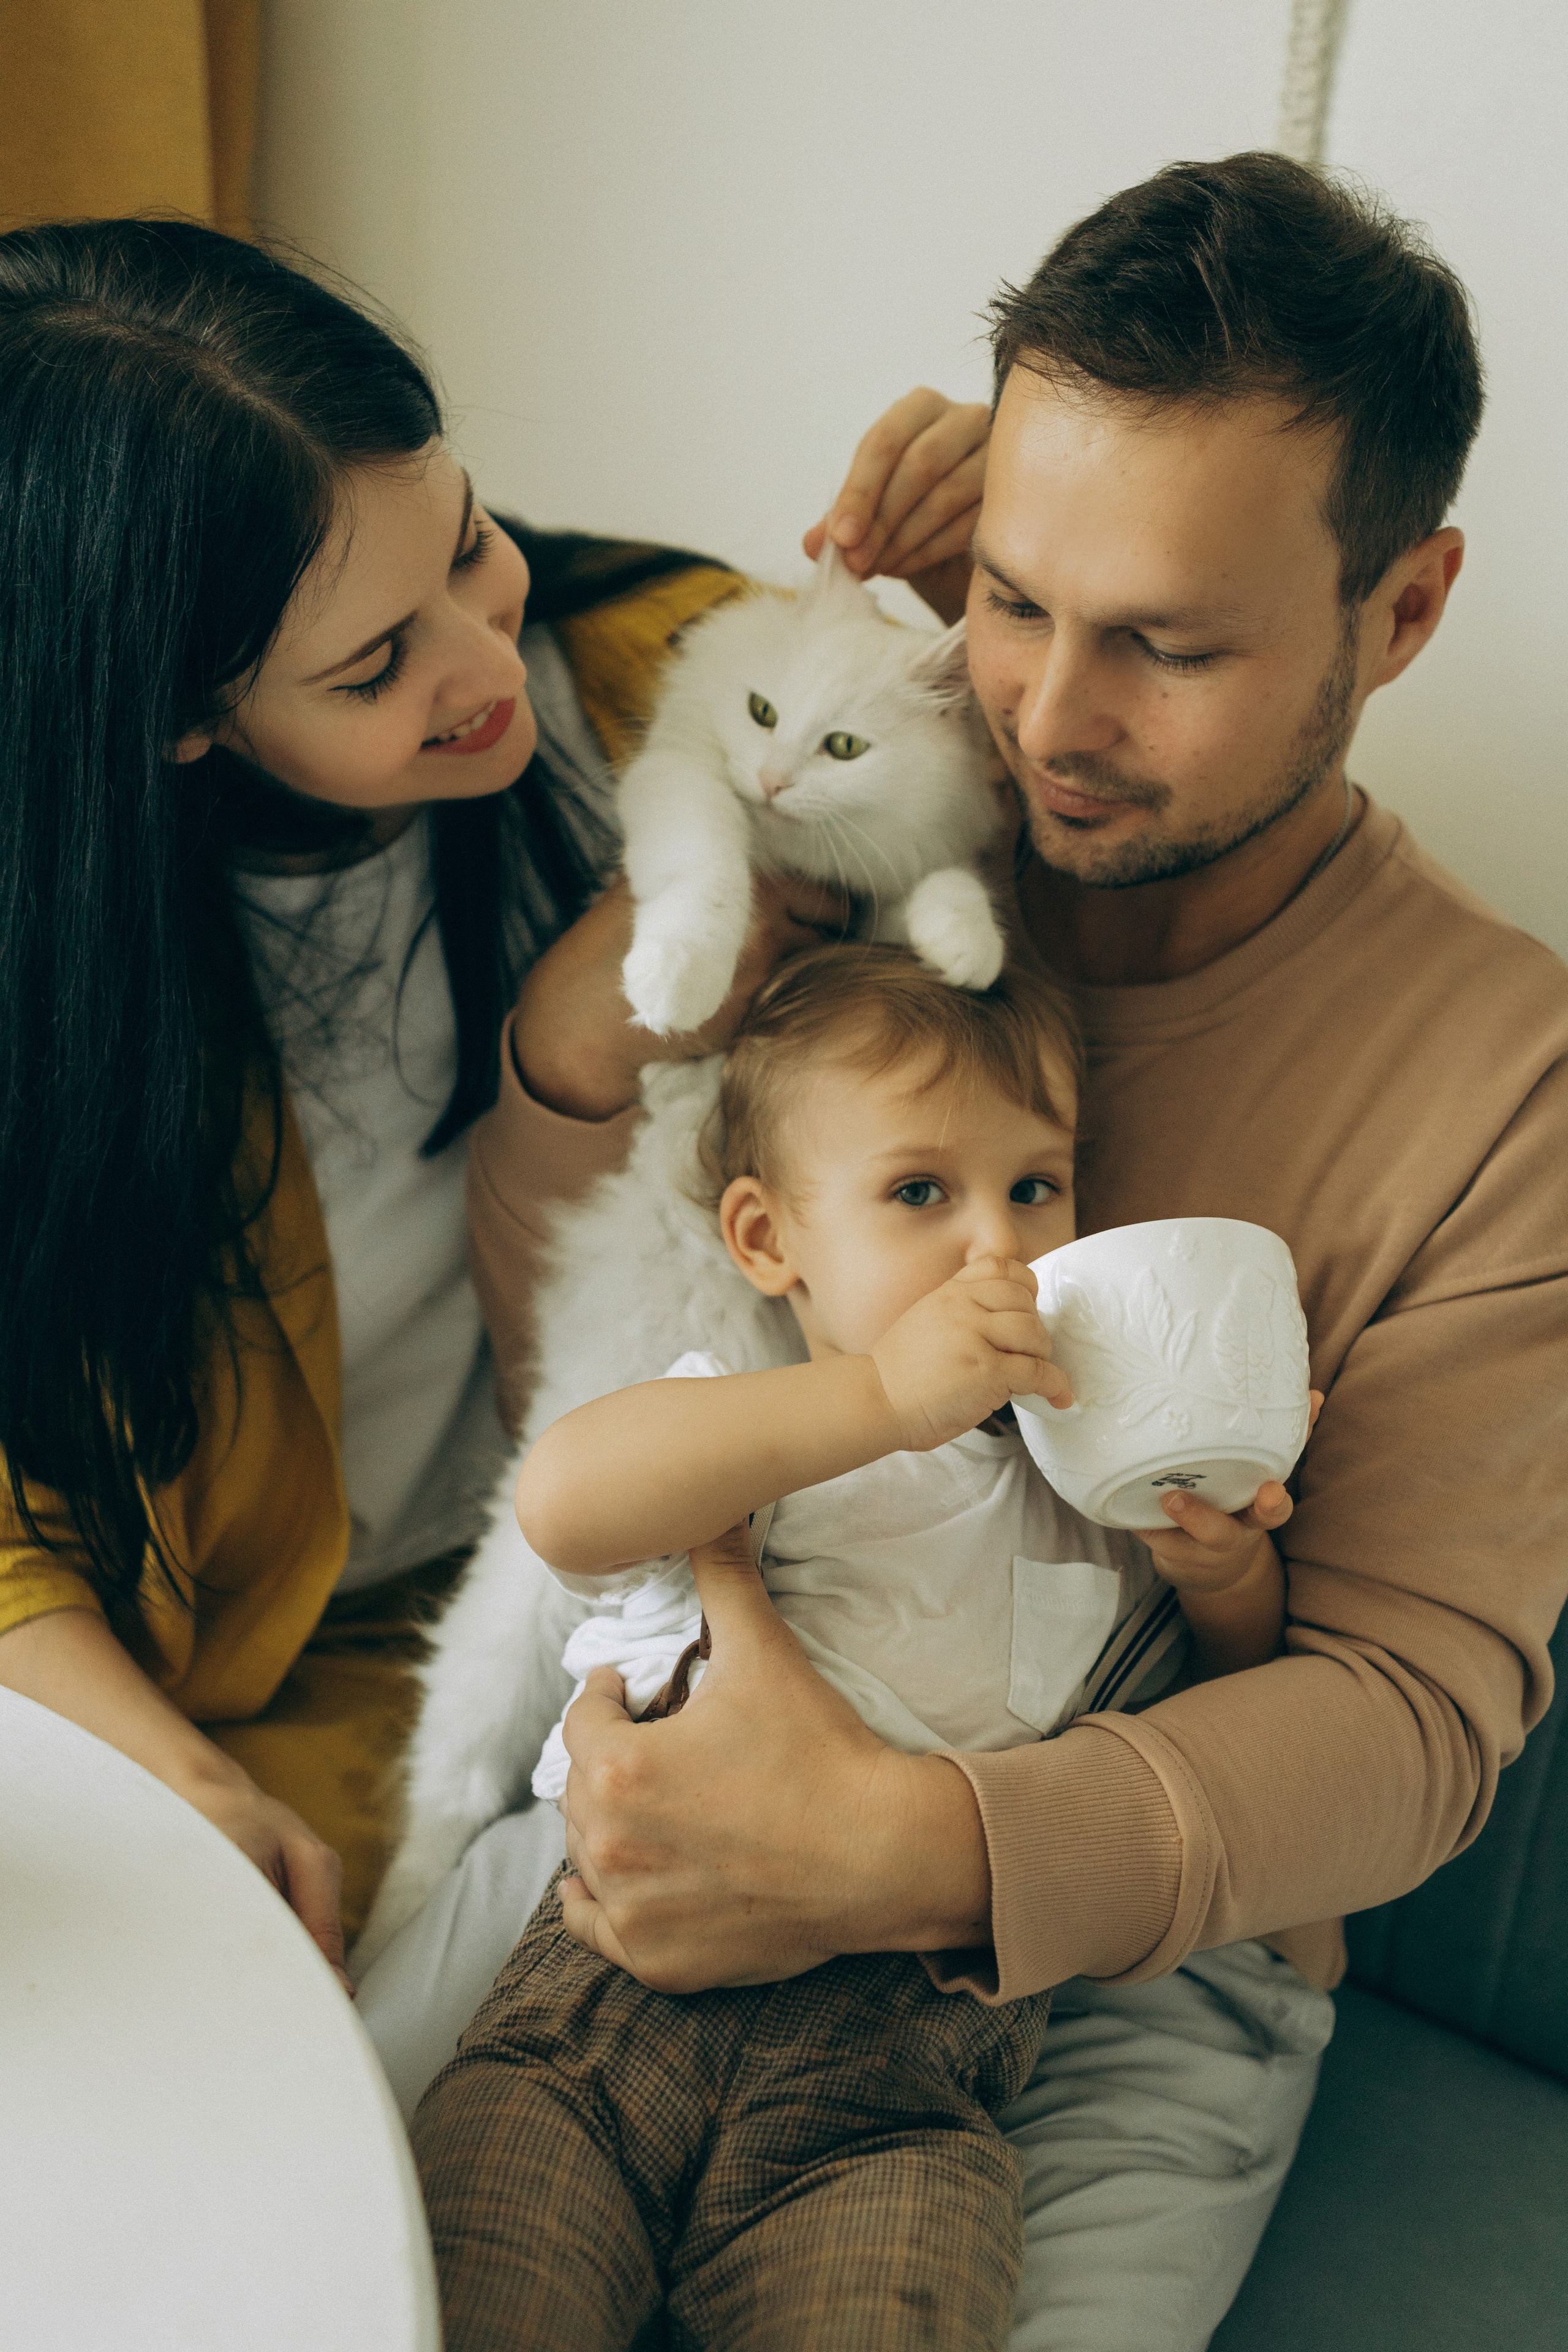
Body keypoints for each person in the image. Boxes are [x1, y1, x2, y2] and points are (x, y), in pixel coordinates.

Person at [358, 153, 1568, 2351]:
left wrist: (907, 1851)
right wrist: (849, 668)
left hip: (1130, 1961)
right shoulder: (905, 807)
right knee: (311, 2269)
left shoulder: (1508, 1075)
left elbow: (1414, 1725)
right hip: (671, 1768)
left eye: (1167, 644)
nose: (1049, 718)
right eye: (1018, 600)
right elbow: (579, 1325)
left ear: (1403, 612)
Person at [0, 216, 840, 1972]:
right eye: (374, 666)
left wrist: (1008, 542)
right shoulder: (66, 976)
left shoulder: (667, 692)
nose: (481, 663)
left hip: (626, 1605)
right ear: (172, 718)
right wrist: (174, 1782)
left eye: (470, 543)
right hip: (211, 1685)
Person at [412, 943, 1301, 2351]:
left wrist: (1223, 1570)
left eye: (1034, 1186)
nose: (995, 1247)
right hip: (595, 2038)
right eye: (916, 1194)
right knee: (471, 2294)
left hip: (891, 2106)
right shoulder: (753, 1430)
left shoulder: (1086, 1500)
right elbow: (565, 1502)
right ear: (769, 1242)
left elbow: (1228, 1703)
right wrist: (885, 1399)